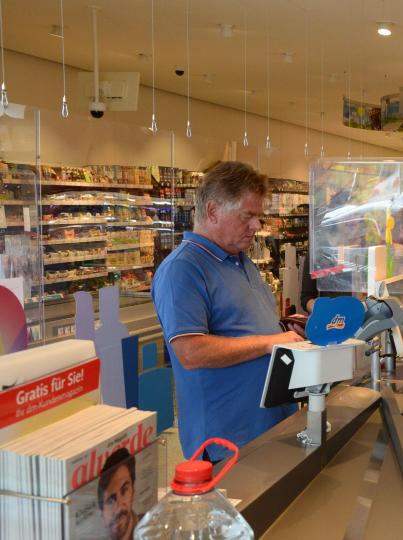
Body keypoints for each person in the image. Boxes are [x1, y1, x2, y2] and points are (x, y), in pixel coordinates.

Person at [152, 161, 304, 463]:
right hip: (228, 440)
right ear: (212, 211)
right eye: (247, 216)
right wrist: (269, 342)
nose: (257, 227)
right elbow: (190, 351)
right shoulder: (183, 269)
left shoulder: (240, 259)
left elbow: (244, 327)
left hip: (269, 425)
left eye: (258, 217)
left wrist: (286, 332)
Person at [97, 448, 139, 540]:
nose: (119, 508)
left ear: (133, 489)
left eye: (124, 491)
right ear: (101, 512)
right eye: (111, 500)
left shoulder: (151, 529)